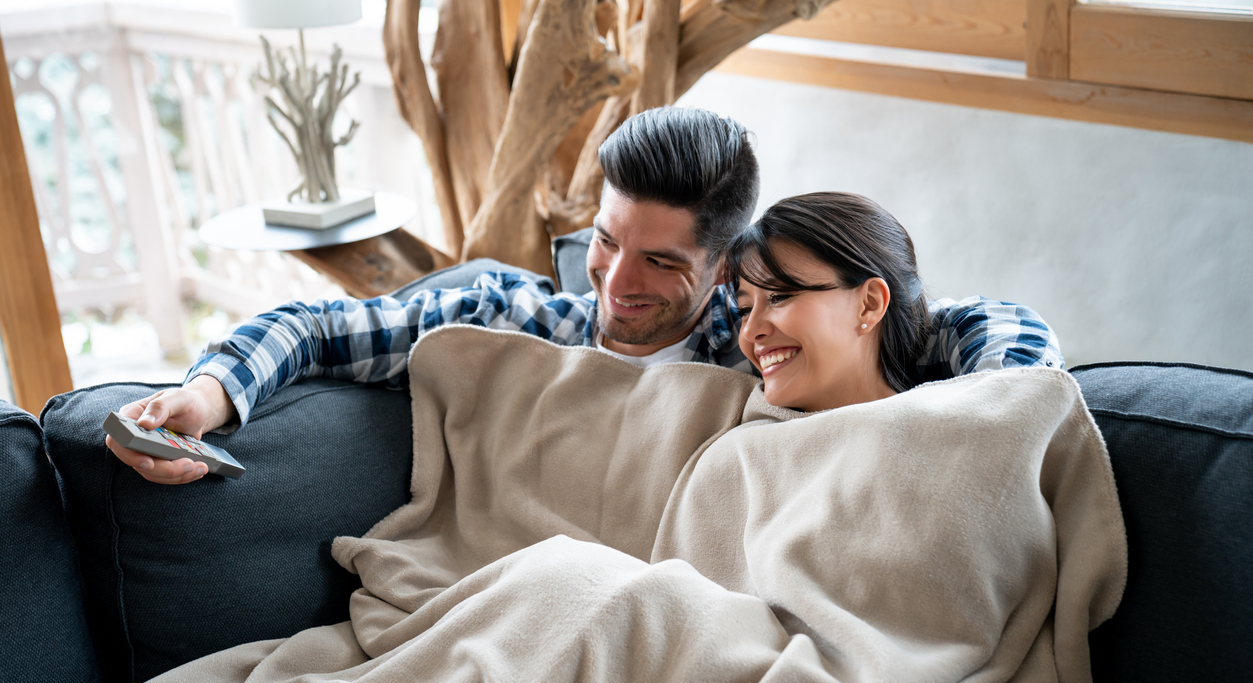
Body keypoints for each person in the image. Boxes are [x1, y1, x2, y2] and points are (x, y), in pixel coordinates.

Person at [106, 107, 1062, 484]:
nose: (616, 282)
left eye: (662, 263)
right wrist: (210, 396)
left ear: (727, 267)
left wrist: (970, 424)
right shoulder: (520, 316)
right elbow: (321, 326)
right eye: (606, 242)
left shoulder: (767, 350)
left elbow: (994, 330)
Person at [727, 191, 929, 413]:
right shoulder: (729, 443)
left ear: (869, 304)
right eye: (745, 310)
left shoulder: (950, 435)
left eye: (778, 297)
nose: (749, 332)